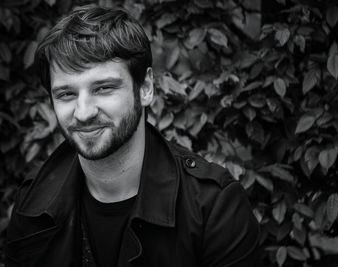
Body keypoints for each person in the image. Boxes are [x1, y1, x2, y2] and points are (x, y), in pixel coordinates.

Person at [5, 5, 260, 267]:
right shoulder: (33, 201)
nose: (83, 113)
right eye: (66, 94)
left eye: (103, 88)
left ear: (146, 88)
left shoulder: (214, 207)